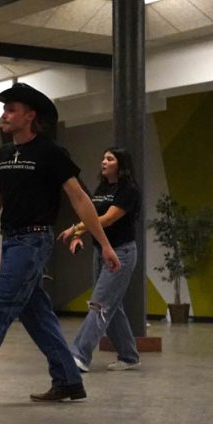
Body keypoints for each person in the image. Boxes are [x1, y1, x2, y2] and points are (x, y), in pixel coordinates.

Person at [0, 83, 119, 407]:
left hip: (34, 241)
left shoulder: (50, 152)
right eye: (4, 109)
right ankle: (68, 380)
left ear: (30, 115)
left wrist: (104, 244)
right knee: (38, 315)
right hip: (11, 242)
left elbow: (80, 199)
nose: (4, 114)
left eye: (11, 109)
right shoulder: (2, 155)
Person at [58, 147, 141, 372]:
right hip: (100, 251)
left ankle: (80, 354)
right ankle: (129, 355)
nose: (103, 161)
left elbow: (106, 219)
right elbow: (89, 216)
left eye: (110, 159)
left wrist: (76, 227)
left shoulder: (129, 190)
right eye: (103, 157)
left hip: (121, 252)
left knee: (100, 304)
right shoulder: (102, 188)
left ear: (121, 165)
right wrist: (78, 236)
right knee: (112, 304)